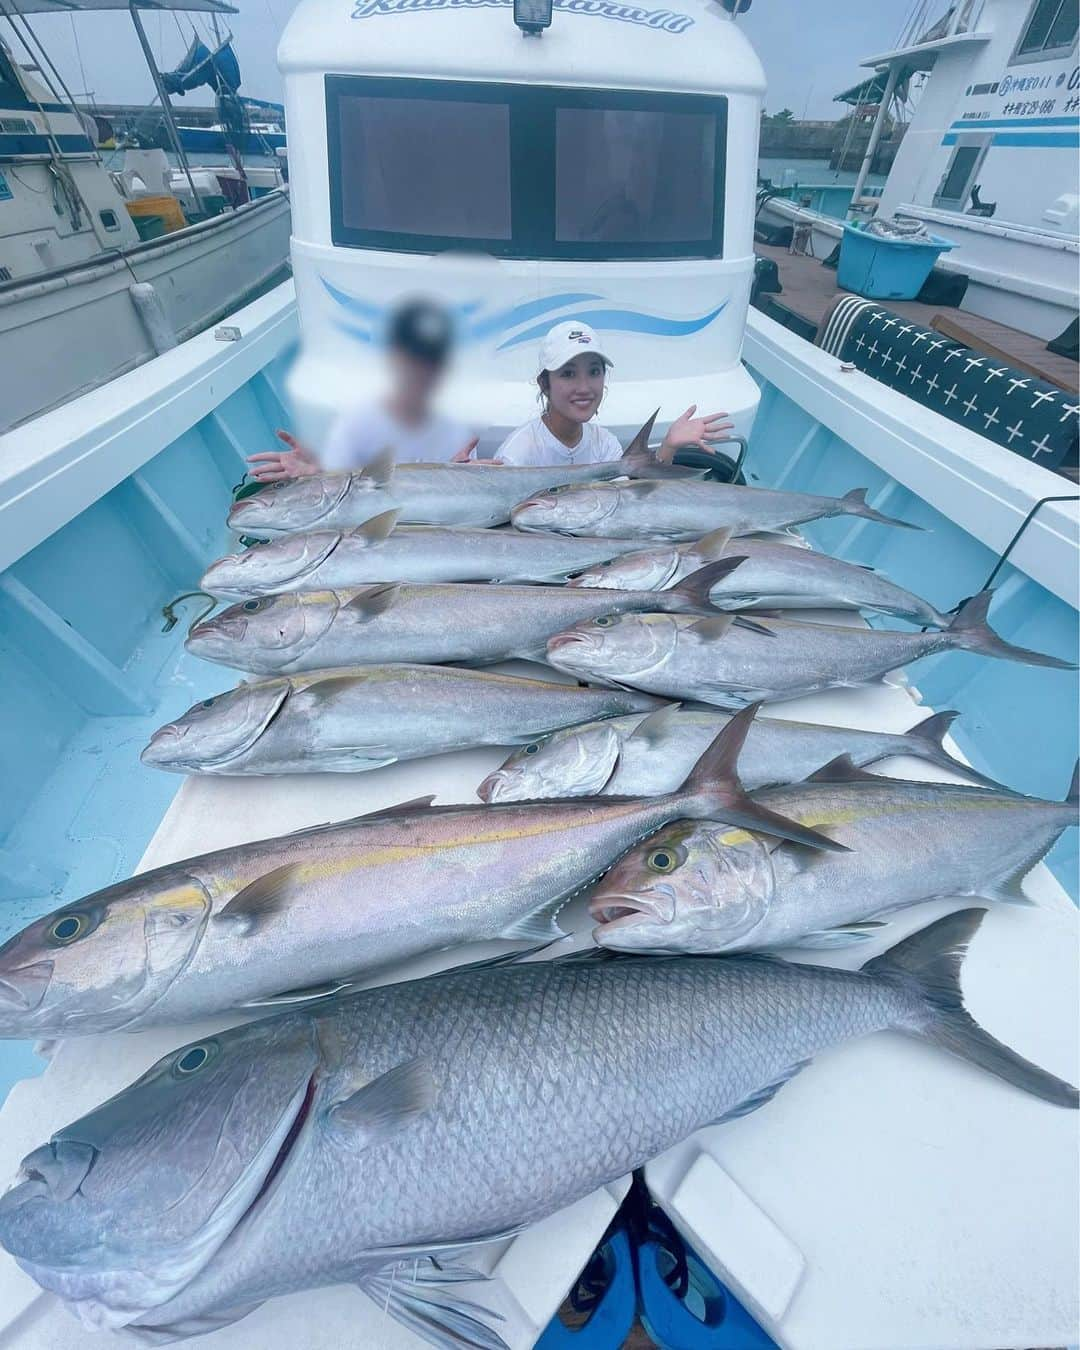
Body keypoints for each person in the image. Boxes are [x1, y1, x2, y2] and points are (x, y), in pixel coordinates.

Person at [246, 299, 477, 482]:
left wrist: (461, 476)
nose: (420, 371)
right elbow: (340, 482)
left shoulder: (456, 422)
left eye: (430, 361)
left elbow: (456, 478)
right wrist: (318, 471)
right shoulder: (358, 422)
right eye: (411, 360)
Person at [492, 320, 733, 466]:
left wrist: (669, 447)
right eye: (568, 373)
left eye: (594, 371)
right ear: (545, 383)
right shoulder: (518, 452)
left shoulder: (604, 443)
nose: (585, 387)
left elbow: (627, 501)